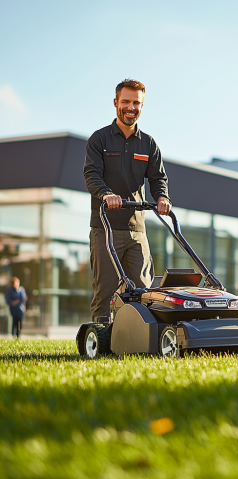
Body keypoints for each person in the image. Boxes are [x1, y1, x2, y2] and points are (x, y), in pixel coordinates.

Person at [83, 79, 172, 322]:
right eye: (126, 101)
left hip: (136, 230)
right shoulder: (99, 140)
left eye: (137, 103)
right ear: (116, 103)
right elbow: (91, 174)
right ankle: (101, 341)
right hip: (106, 228)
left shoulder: (149, 144)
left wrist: (162, 197)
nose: (131, 107)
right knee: (105, 291)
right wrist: (106, 194)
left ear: (142, 106)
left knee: (144, 290)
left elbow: (157, 178)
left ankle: (140, 338)